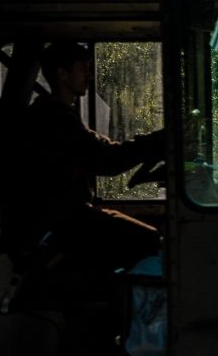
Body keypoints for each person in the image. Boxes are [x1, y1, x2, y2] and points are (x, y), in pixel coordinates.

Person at [10, 41, 164, 278]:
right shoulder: (53, 119)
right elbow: (107, 159)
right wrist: (156, 142)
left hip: (64, 219)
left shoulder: (57, 115)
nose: (90, 75)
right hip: (63, 222)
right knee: (151, 241)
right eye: (83, 68)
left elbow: (101, 151)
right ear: (62, 74)